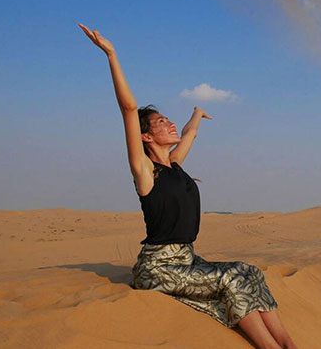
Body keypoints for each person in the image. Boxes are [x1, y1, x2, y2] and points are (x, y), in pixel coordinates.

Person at [79, 23, 297, 349]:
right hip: (159, 267)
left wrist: (196, 113)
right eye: (159, 122)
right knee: (230, 279)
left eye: (168, 119)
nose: (168, 123)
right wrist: (111, 55)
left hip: (188, 259)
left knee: (247, 270)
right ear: (145, 137)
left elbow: (190, 132)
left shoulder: (176, 166)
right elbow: (127, 109)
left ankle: (288, 343)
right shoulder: (145, 171)